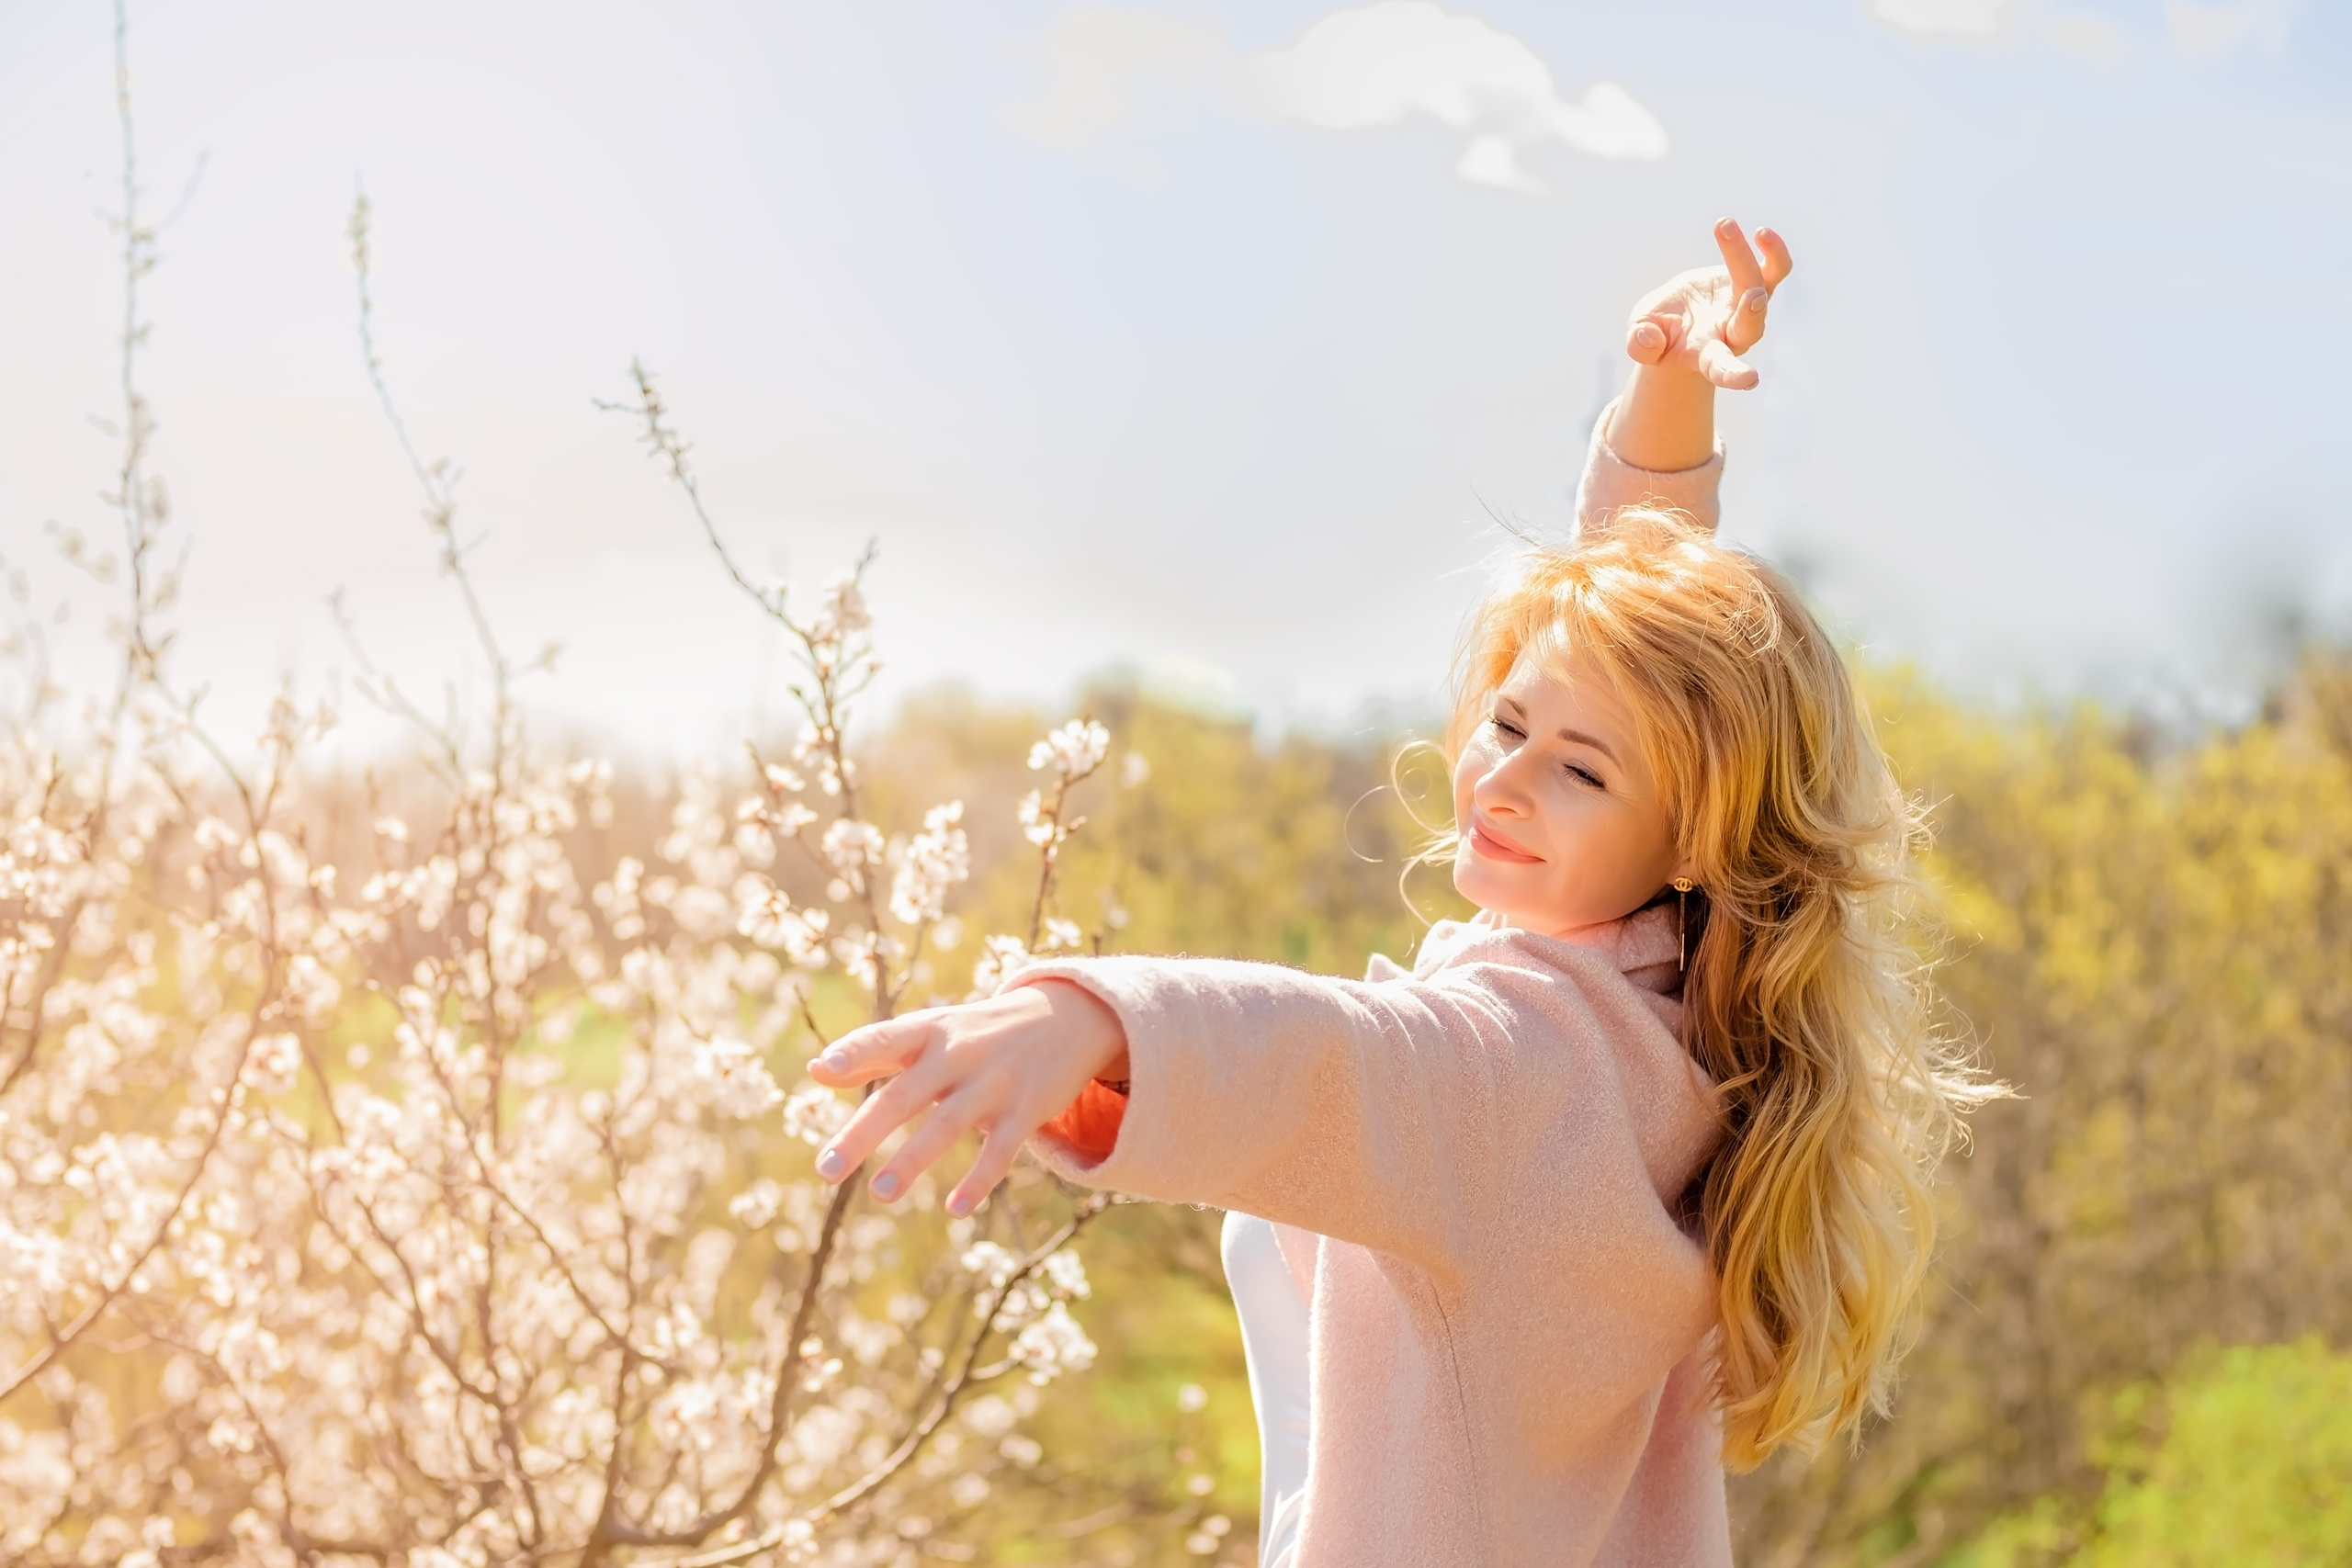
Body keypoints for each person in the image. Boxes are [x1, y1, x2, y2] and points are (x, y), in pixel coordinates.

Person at [807, 219, 1992, 1566]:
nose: (1504, 782)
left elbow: (1343, 1060)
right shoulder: (1663, 1013)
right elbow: (1643, 676)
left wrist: (1091, 1022)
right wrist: (1671, 395)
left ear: (1693, 840)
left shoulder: (1528, 1071)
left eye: (1576, 775)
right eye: (1506, 725)